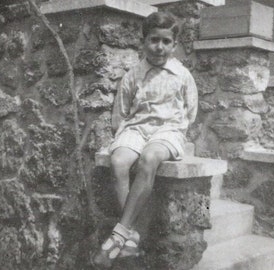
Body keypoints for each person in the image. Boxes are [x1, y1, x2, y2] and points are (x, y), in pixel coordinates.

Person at [92, 11, 198, 268]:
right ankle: (132, 234)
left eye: (165, 41)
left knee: (149, 158)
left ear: (174, 45)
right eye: (153, 40)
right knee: (119, 161)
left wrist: (169, 132)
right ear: (143, 41)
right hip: (136, 128)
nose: (159, 47)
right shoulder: (133, 74)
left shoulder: (182, 76)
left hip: (167, 131)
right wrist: (129, 134)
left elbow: (191, 113)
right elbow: (122, 111)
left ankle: (120, 234)